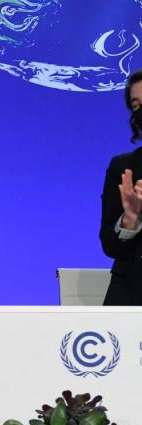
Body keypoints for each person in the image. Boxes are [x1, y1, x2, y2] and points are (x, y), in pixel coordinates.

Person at [100, 70, 142, 305]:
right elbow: (109, 244)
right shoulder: (123, 167)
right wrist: (130, 220)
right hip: (132, 297)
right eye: (136, 105)